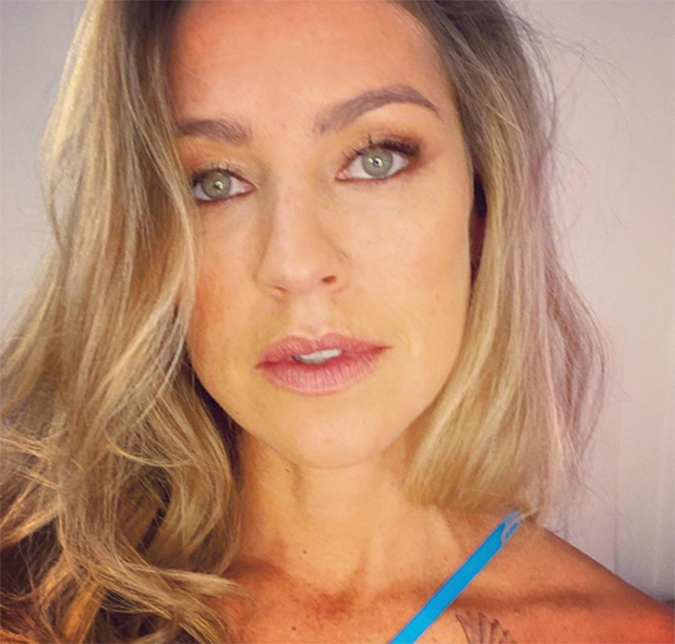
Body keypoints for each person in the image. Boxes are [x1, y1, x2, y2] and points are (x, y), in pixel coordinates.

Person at [1, 0, 673, 642]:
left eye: (376, 160)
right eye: (214, 181)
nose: (295, 264)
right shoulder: (27, 605)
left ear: (484, 201)